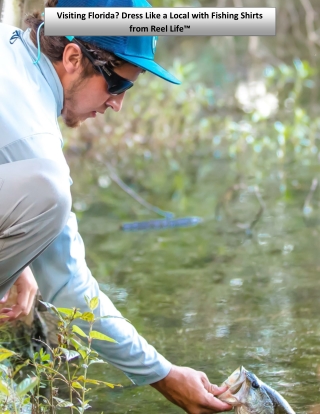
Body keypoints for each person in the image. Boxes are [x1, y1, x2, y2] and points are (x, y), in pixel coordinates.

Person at [0, 0, 232, 412]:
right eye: (117, 85)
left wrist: (20, 261)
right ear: (73, 57)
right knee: (47, 191)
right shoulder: (35, 150)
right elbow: (70, 286)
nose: (117, 104)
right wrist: (164, 374)